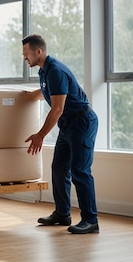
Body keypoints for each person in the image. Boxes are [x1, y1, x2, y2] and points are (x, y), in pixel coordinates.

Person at [21, 34, 99, 234]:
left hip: (81, 122)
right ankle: (63, 213)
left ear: (39, 51)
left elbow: (57, 109)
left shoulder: (55, 70)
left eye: (27, 53)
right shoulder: (44, 71)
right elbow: (47, 90)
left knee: (80, 171)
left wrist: (40, 135)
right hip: (68, 125)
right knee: (59, 168)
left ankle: (91, 220)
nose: (24, 57)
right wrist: (30, 96)